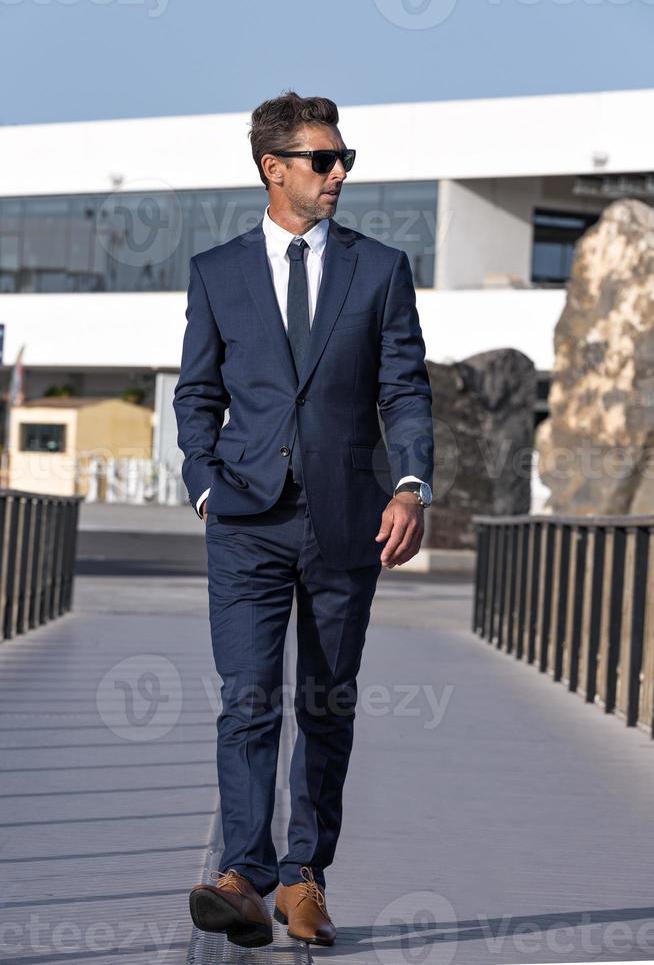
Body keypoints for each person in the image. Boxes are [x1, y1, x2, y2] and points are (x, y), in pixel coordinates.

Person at [173, 90, 434, 949]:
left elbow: (403, 388)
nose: (339, 174)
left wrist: (409, 486)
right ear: (273, 168)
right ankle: (243, 873)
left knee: (326, 705)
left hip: (345, 522)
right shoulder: (216, 271)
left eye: (344, 159)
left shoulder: (381, 268)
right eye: (323, 161)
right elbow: (198, 394)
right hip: (243, 522)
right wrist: (207, 485)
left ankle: (303, 879)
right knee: (247, 701)